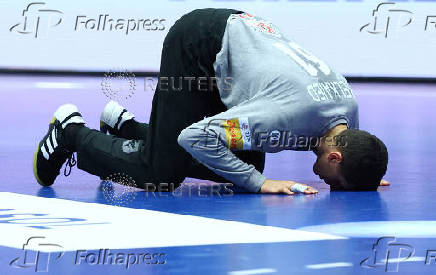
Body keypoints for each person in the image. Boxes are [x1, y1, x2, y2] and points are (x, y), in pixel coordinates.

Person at [33, 8, 388, 195]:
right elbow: (195, 138)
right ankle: (71, 134)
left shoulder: (347, 113)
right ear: (335, 156)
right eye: (335, 182)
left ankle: (125, 127)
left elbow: (354, 148)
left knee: (245, 159)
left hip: (239, 39)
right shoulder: (284, 116)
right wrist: (257, 184)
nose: (328, 184)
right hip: (198, 46)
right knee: (162, 174)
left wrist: (362, 174)